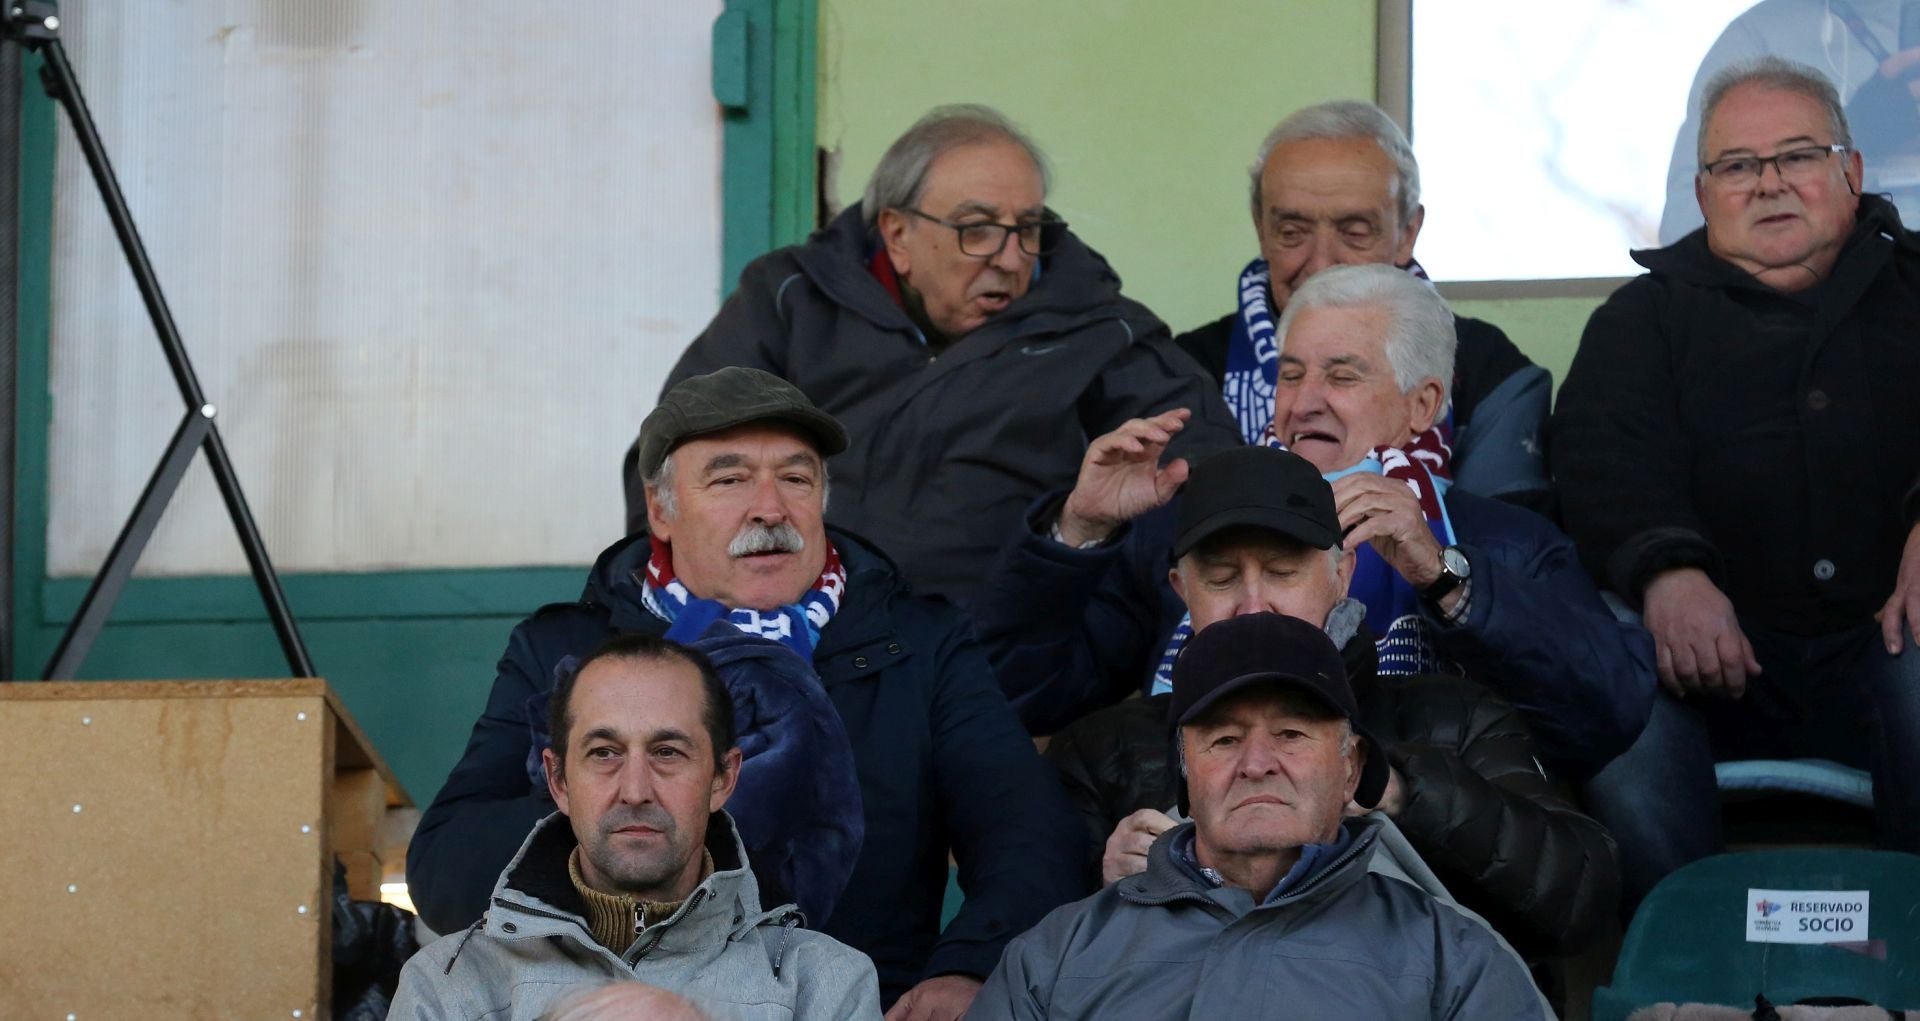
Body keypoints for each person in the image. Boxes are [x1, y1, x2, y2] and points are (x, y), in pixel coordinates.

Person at [411, 367, 1087, 1017]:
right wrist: (602, 784)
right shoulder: (567, 650)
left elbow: (1031, 835)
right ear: (661, 510)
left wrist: (969, 967)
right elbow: (445, 872)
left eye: (796, 476)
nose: (771, 507)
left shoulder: (918, 643)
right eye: (730, 478)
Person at [977, 263, 1656, 782]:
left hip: (1428, 875)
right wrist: (1079, 531)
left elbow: (1606, 714)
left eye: (1342, 376)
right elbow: (1018, 696)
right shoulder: (1187, 530)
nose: (1304, 404)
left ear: (1422, 404)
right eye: (1292, 374)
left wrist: (1444, 577)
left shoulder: (1502, 540)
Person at [1555, 56, 1920, 904]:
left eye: (1796, 155)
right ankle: (1686, 970)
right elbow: (1602, 458)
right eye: (1738, 166)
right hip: (1712, 660)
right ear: (1703, 191)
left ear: (1851, 172)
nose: (1768, 185)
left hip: (1894, 640)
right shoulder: (1638, 321)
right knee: (1617, 682)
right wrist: (1667, 570)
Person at [633, 104, 1239, 605]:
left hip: (1006, 670)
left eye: (1027, 228)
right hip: (788, 643)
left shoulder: (1097, 327)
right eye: (976, 229)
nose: (1009, 257)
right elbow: (670, 464)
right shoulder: (792, 300)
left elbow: (1204, 463)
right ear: (897, 236)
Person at [1039, 444, 1619, 962]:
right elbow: (1022, 954)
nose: (1254, 605)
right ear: (1180, 590)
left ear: (1342, 576)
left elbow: (1585, 898)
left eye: (1282, 572)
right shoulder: (1103, 748)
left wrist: (1402, 791)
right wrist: (1101, 883)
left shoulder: (1455, 718)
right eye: (1221, 579)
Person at [964, 612, 1552, 1019]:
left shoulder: (1455, 958)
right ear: (1186, 776)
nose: (1256, 764)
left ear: (1351, 769)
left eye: (1292, 734)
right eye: (1222, 740)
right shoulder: (1058, 954)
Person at [390, 634, 881, 1020]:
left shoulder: (824, 985)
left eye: (667, 753)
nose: (635, 790)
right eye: (604, 753)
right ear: (558, 780)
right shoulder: (448, 984)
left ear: (722, 777)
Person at [1172, 99, 1552, 509]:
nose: (1320, 263)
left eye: (1353, 232)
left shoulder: (1487, 371)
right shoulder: (1187, 371)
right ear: (1261, 229)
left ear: (1407, 232)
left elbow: (1513, 550)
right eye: (1292, 231)